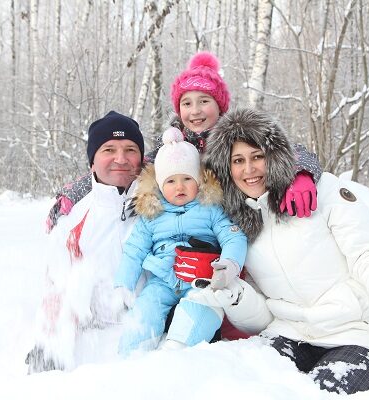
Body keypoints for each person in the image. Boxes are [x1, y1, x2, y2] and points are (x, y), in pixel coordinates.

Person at [188, 108, 369, 394]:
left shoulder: (323, 190)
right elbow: (264, 316)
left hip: (357, 333)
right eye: (238, 161)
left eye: (257, 156)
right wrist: (236, 296)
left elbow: (366, 249)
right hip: (290, 332)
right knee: (240, 385)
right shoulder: (238, 222)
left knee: (318, 393)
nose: (249, 169)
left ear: (275, 156)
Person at [45, 52, 321, 233]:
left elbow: (292, 150)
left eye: (204, 101)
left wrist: (302, 174)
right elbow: (131, 168)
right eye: (187, 103)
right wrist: (72, 193)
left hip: (238, 232)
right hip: (190, 234)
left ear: (220, 105)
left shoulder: (240, 135)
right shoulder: (172, 149)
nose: (196, 111)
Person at [26, 110, 146, 373]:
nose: (121, 158)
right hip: (94, 350)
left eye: (130, 149)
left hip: (147, 345)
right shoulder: (73, 221)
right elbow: (57, 290)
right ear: (92, 161)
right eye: (108, 149)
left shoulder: (161, 208)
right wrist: (48, 347)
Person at [114, 127, 247, 355]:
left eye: (187, 178)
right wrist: (123, 286)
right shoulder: (151, 214)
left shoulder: (211, 208)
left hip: (200, 279)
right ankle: (131, 355)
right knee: (145, 310)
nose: (180, 186)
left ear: (199, 179)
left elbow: (233, 236)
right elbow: (134, 250)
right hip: (162, 281)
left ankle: (177, 350)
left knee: (203, 305)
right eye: (171, 181)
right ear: (159, 184)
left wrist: (229, 265)